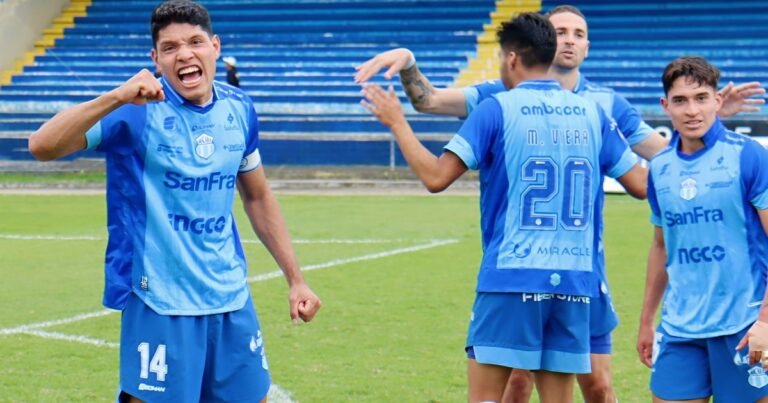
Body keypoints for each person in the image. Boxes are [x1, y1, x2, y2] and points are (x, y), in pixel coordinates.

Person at [354, 5, 765, 402]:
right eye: (561, 31)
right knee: (525, 386)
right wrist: (707, 125)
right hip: (570, 278)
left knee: (587, 387)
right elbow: (649, 179)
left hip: (536, 274)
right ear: (549, 44)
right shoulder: (564, 107)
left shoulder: (566, 104)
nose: (570, 40)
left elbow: (435, 176)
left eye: (579, 33)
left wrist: (706, 124)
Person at [27, 1, 321, 402]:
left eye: (195, 42)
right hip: (159, 301)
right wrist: (116, 96)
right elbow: (42, 145)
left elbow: (257, 195)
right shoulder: (134, 113)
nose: (184, 54)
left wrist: (295, 278)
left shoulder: (239, 109)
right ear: (155, 59)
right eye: (170, 48)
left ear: (215, 46)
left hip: (230, 298)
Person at [362, 12, 645, 403]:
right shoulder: (593, 114)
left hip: (512, 279)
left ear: (511, 58)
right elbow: (642, 185)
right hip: (576, 280)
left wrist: (397, 124)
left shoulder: (496, 107)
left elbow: (436, 177)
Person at [637, 56, 768, 402]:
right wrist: (647, 320)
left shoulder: (749, 156)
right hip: (680, 328)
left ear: (717, 101)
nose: (691, 110)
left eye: (701, 98)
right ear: (666, 106)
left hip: (745, 324)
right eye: (680, 100)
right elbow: (661, 247)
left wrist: (766, 322)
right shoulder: (661, 168)